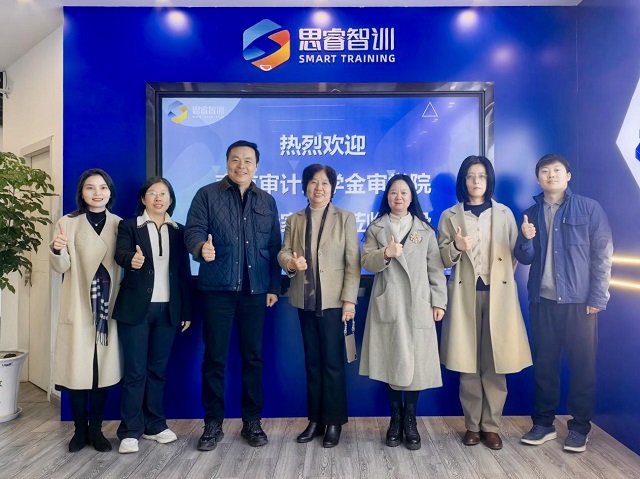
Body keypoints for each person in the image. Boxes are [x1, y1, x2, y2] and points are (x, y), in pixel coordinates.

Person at [184, 140, 281, 451]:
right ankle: (212, 424)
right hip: (217, 290)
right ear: (227, 163)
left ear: (256, 166)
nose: (242, 165)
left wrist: (274, 287)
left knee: (253, 358)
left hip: (255, 291)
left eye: (248, 160)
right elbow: (192, 231)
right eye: (236, 159)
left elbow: (275, 246)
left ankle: (252, 422)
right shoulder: (207, 195)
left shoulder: (266, 201)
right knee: (214, 358)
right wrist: (201, 247)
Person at [515, 154, 612, 453]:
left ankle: (579, 428)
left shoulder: (589, 208)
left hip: (579, 303)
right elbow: (525, 258)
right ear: (538, 178)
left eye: (557, 170)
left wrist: (598, 296)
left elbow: (602, 253)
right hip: (542, 301)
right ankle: (543, 424)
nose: (551, 175)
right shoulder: (531, 213)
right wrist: (525, 238)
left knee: (583, 367)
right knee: (544, 367)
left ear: (568, 176)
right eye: (545, 171)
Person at [437, 156, 532, 451]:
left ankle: (491, 426)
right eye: (470, 176)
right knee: (467, 362)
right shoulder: (450, 215)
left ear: (489, 180)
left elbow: (516, 256)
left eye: (481, 176)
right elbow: (441, 258)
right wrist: (456, 247)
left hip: (498, 296)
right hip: (464, 295)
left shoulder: (504, 213)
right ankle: (472, 426)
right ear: (463, 181)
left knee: (495, 362)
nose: (476, 181)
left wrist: (526, 240)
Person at [359, 174, 447, 451]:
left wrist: (439, 302)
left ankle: (411, 420)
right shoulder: (376, 228)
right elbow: (366, 262)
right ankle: (395, 419)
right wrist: (385, 253)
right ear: (387, 196)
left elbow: (435, 269)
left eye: (404, 192)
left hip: (418, 303)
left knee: (415, 364)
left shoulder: (425, 230)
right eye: (394, 192)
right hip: (390, 302)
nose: (398, 197)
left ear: (411, 198)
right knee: (392, 361)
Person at [277, 164, 361, 448]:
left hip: (335, 302)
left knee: (332, 363)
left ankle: (333, 422)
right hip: (306, 300)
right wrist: (290, 262)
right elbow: (283, 251)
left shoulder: (345, 218)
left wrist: (349, 301)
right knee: (312, 363)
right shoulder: (295, 219)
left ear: (332, 188)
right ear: (305, 187)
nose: (319, 188)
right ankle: (315, 419)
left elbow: (353, 263)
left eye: (324, 183)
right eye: (313, 182)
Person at [112, 177, 193, 454]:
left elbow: (183, 273)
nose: (159, 198)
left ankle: (155, 425)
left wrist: (186, 310)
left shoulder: (179, 231)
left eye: (164, 193)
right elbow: (120, 253)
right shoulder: (129, 226)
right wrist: (130, 260)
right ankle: (129, 431)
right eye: (152, 193)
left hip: (168, 309)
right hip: (136, 309)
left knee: (158, 371)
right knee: (135, 372)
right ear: (143, 199)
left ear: (170, 199)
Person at [49, 168, 122, 453]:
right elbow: (60, 267)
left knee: (102, 374)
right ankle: (79, 431)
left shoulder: (119, 224)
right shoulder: (68, 223)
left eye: (103, 187)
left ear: (110, 192)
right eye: (90, 187)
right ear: (81, 192)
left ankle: (97, 431)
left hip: (108, 310)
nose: (97, 193)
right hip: (79, 306)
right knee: (77, 374)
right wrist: (57, 250)